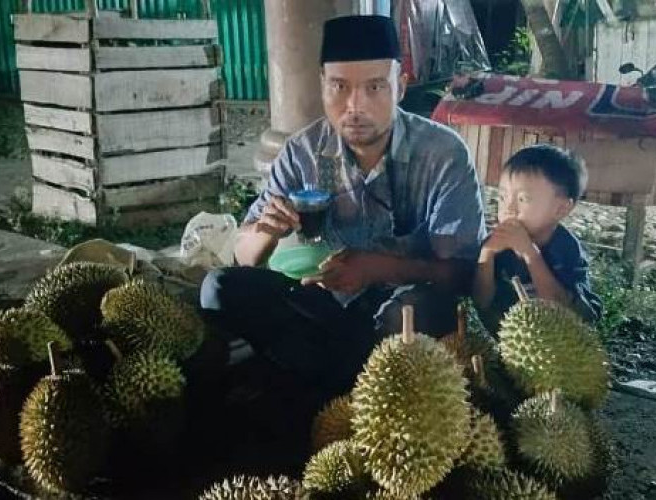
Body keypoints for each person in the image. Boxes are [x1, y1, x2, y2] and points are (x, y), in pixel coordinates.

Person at [200, 15, 485, 395]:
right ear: (322, 85)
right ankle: (332, 374)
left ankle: (315, 375)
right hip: (322, 307)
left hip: (402, 311)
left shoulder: (443, 154)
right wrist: (265, 233)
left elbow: (463, 275)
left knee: (413, 317)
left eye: (374, 87)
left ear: (400, 86)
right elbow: (245, 257)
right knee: (218, 288)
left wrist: (381, 269)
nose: (355, 106)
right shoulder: (302, 152)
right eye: (339, 86)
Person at [472, 144, 602, 335]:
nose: (509, 208)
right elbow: (481, 301)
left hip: (557, 341)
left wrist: (530, 253)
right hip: (509, 337)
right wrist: (486, 255)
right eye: (502, 197)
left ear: (561, 209)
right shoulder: (495, 243)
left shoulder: (566, 248)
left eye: (523, 199)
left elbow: (561, 308)